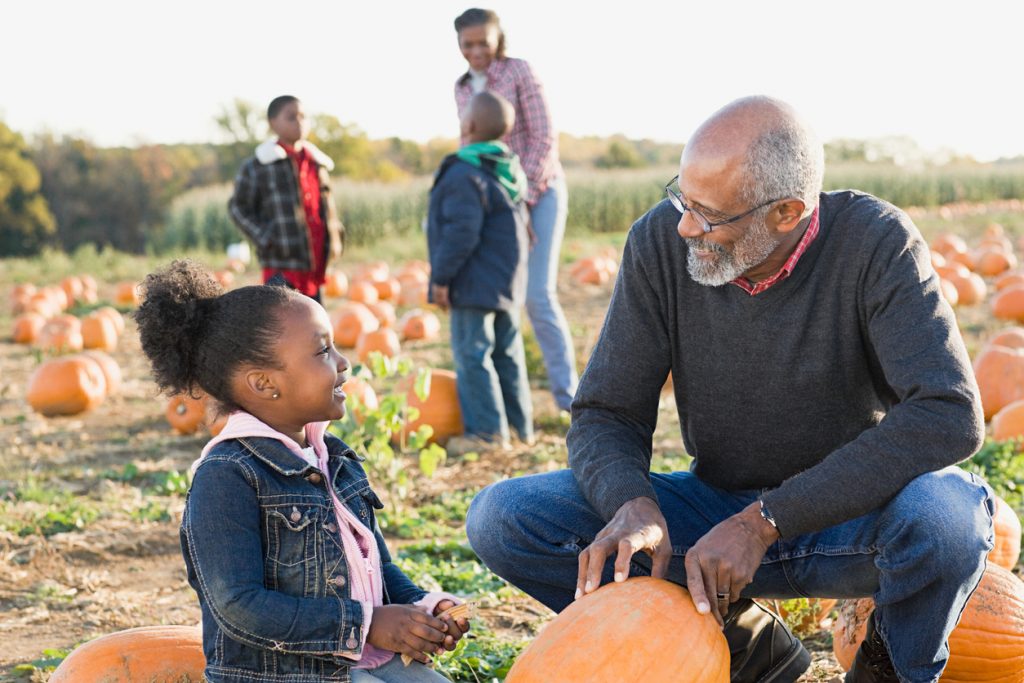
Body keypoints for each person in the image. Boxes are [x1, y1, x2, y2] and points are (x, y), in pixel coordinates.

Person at [466, 96, 995, 683]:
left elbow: (948, 412)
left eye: (709, 215)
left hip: (854, 518)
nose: (686, 226)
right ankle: (747, 646)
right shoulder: (660, 244)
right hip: (712, 515)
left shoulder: (876, 243)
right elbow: (607, 411)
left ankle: (886, 667)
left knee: (948, 521)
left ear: (787, 212)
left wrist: (764, 521)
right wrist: (631, 504)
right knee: (505, 516)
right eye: (681, 199)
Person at [133, 260, 469, 683]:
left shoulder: (331, 458)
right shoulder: (227, 475)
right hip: (285, 675)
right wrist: (367, 624)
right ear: (264, 384)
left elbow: (376, 567)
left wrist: (423, 608)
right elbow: (239, 605)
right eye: (323, 351)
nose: (343, 362)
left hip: (360, 658)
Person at [453, 8, 578, 412]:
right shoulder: (461, 88)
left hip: (538, 192)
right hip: (496, 203)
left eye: (482, 42)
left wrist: (520, 200)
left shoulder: (519, 72)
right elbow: (469, 146)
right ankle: (513, 402)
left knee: (537, 295)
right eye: (467, 44)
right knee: (502, 297)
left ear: (497, 39)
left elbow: (543, 139)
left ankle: (570, 399)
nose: (476, 51)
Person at [427, 91, 533, 455]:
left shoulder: (463, 171)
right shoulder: (509, 170)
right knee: (506, 353)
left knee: (472, 354)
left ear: (468, 124)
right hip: (507, 280)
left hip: (472, 281)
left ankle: (487, 433)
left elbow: (461, 231)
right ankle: (520, 429)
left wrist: (441, 277)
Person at [228, 95, 345, 303]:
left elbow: (324, 208)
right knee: (283, 328)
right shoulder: (259, 165)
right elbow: (238, 207)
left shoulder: (317, 163)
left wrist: (336, 235)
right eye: (291, 117)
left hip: (316, 264)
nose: (299, 122)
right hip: (281, 267)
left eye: (303, 116)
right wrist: (266, 237)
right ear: (273, 123)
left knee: (314, 328)